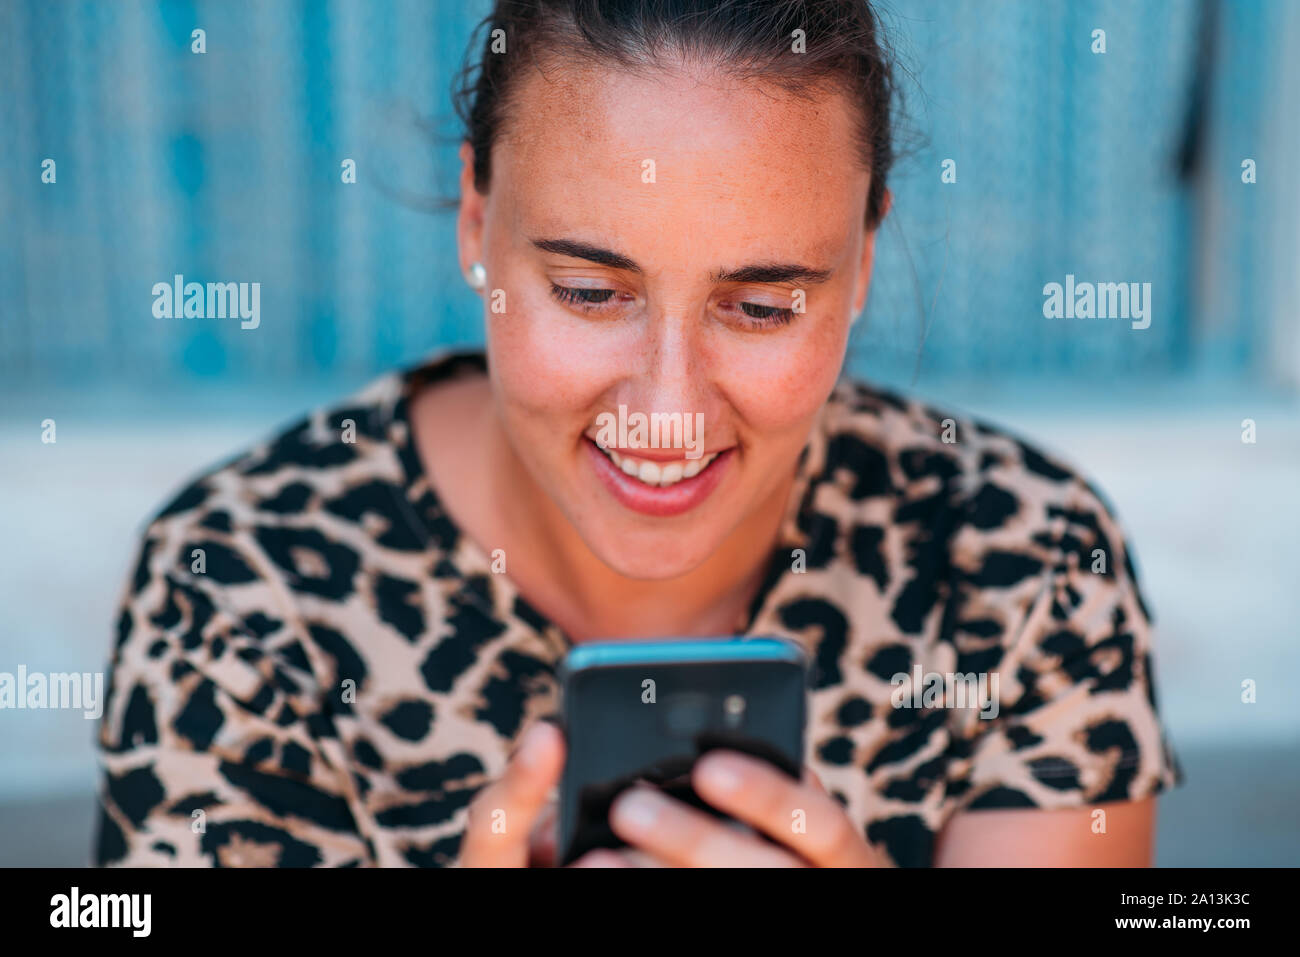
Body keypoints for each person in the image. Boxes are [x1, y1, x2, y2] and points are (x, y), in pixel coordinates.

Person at [95, 0, 1181, 868]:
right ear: (477, 223)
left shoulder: (1024, 566)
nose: (667, 412)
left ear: (861, 261)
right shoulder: (241, 592)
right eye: (587, 291)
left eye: (760, 307)